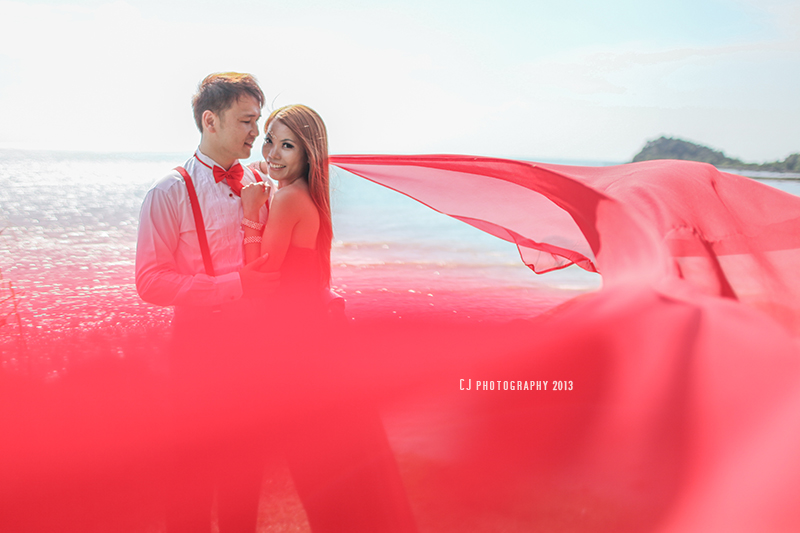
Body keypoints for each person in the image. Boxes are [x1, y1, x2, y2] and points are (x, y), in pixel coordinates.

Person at [135, 72, 278, 533]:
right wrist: (234, 287)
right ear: (210, 121)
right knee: (192, 477)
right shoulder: (168, 190)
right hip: (198, 348)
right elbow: (150, 281)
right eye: (246, 121)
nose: (256, 133)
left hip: (256, 346)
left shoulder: (263, 183)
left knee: (247, 476)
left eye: (258, 121)